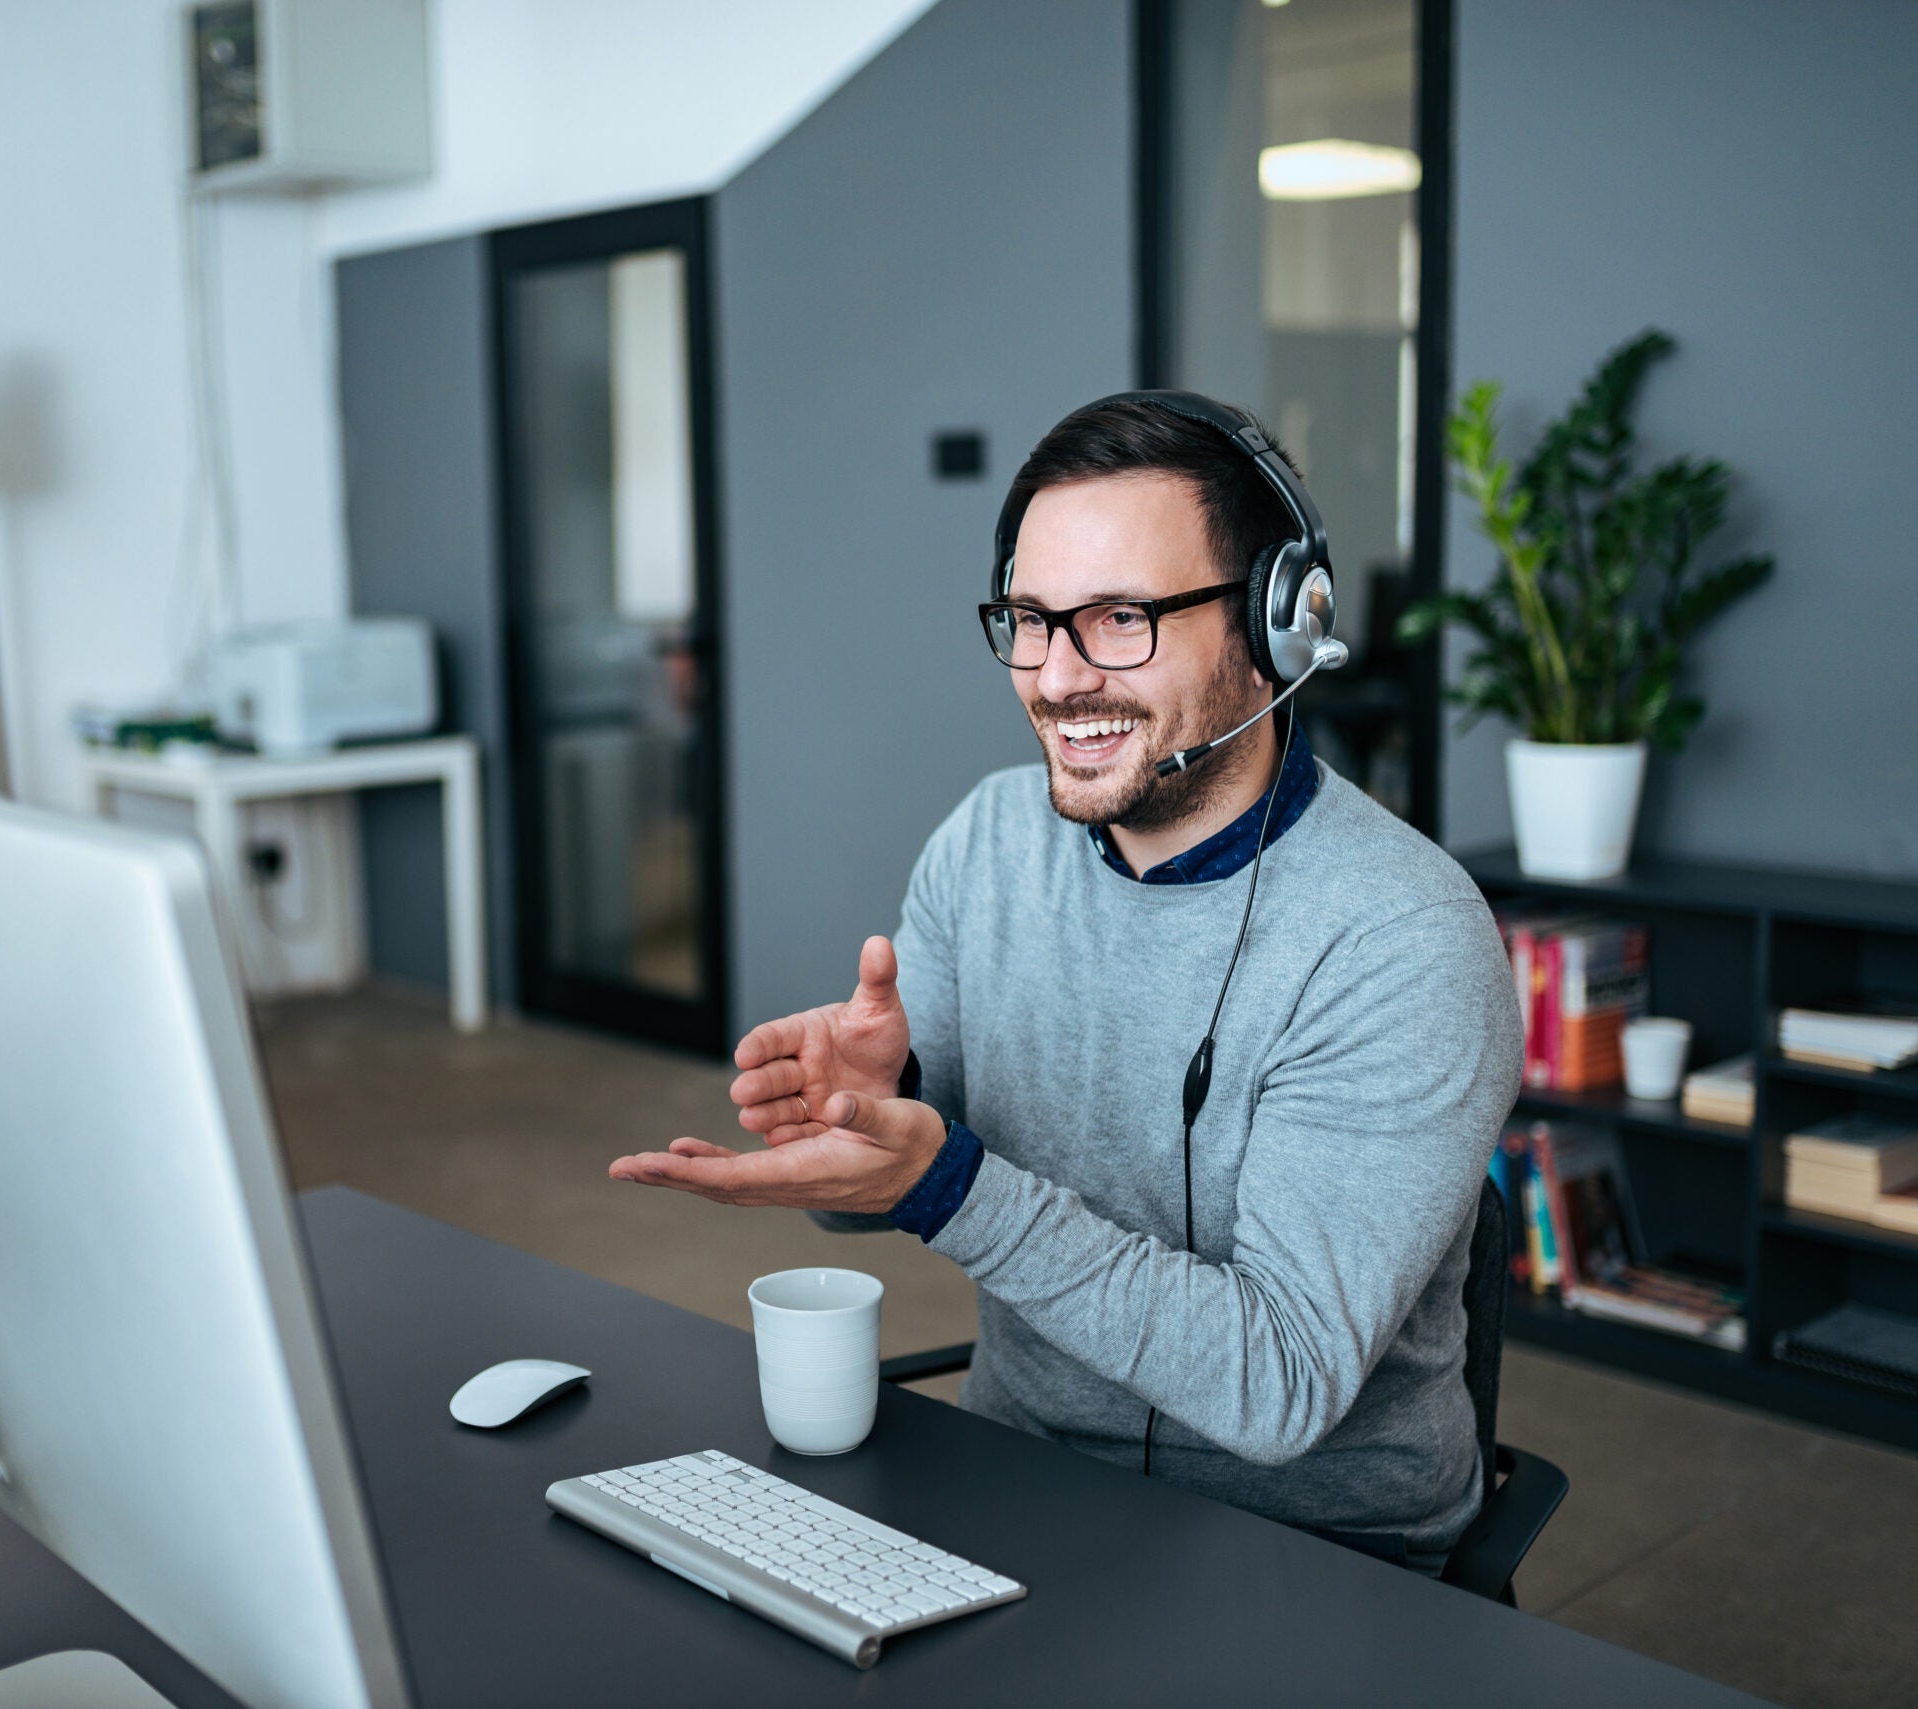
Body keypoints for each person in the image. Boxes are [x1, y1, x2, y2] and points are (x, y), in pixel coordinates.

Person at [609, 394, 1522, 1570]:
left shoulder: (1401, 938)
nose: (1055, 677)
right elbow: (884, 1189)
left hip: (1322, 1546)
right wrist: (869, 1123)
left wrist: (946, 1178)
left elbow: (1280, 1385)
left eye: (1119, 620)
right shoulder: (985, 842)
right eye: (1030, 621)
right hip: (1019, 1476)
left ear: (1272, 626)